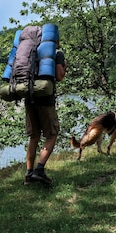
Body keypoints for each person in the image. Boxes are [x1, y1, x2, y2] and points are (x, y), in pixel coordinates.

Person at [24, 40, 66, 186]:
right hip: (46, 99)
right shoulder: (56, 53)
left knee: (34, 136)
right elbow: (60, 76)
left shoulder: (30, 52)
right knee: (52, 134)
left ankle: (28, 174)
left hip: (29, 97)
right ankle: (39, 170)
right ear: (55, 39)